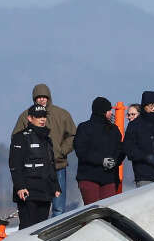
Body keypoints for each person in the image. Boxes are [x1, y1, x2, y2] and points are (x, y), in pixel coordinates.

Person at [12, 83, 76, 217]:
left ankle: (58, 235)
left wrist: (61, 151)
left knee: (58, 207)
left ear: (49, 97)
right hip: (34, 171)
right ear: (34, 99)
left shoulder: (62, 114)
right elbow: (16, 138)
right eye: (38, 97)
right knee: (38, 207)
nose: (41, 99)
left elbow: (73, 135)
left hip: (58, 165)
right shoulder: (26, 116)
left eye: (44, 96)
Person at [9, 105, 61, 229]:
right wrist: (20, 186)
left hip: (45, 191)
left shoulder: (47, 139)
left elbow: (50, 164)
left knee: (41, 229)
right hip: (28, 192)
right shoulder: (20, 137)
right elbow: (14, 164)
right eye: (38, 117)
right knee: (27, 229)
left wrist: (55, 186)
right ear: (30, 118)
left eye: (44, 116)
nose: (42, 119)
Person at [74, 96, 125, 204]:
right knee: (93, 212)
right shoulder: (84, 128)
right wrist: (102, 160)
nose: (111, 113)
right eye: (108, 110)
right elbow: (81, 151)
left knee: (107, 211)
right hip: (89, 177)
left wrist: (115, 160)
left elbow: (120, 149)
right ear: (102, 112)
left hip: (109, 178)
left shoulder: (114, 129)